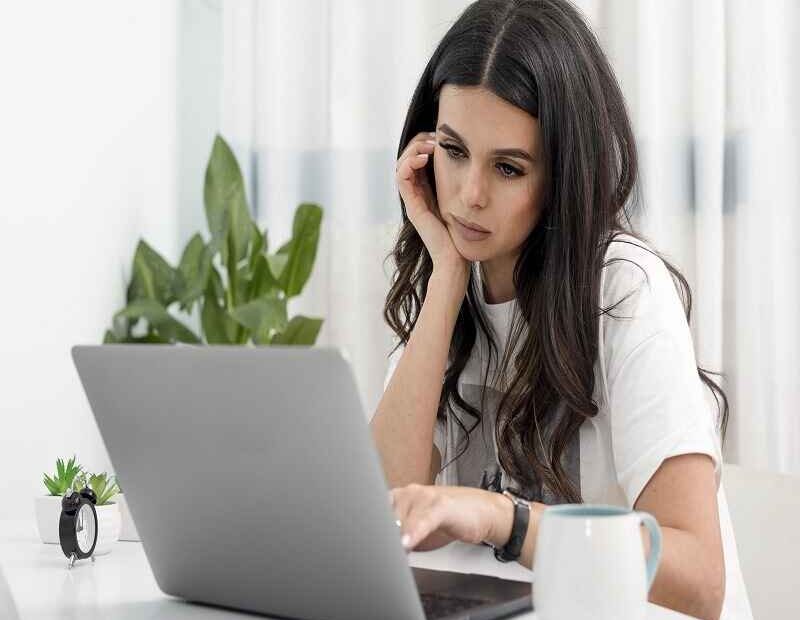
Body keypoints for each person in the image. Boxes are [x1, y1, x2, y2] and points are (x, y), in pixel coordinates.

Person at [368, 1, 754, 620]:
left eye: (508, 167)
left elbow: (700, 579)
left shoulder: (624, 289)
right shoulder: (453, 281)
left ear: (562, 174)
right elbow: (377, 510)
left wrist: (503, 518)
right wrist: (444, 276)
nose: (469, 195)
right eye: (453, 150)